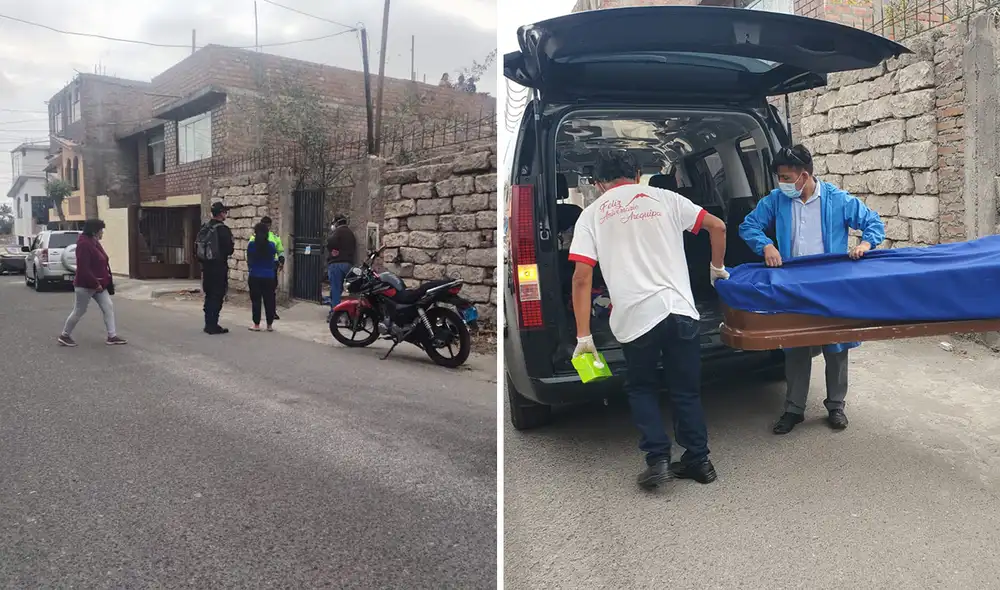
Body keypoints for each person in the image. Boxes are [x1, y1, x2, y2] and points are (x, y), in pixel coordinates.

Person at [569, 150, 730, 490]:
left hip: (636, 318)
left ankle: (657, 461)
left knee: (642, 387)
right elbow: (718, 226)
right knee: (686, 389)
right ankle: (699, 460)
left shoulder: (591, 215)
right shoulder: (667, 198)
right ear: (639, 172)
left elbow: (582, 277)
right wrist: (716, 269)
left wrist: (584, 336)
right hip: (681, 310)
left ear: (598, 185)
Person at [739, 144, 886, 435]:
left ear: (804, 176)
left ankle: (836, 405)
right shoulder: (776, 200)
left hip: (831, 285)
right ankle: (794, 408)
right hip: (793, 284)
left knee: (837, 346)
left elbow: (873, 223)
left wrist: (866, 245)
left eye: (786, 177)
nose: (782, 183)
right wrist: (766, 245)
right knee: (795, 346)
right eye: (779, 177)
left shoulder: (837, 200)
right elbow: (748, 226)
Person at [58, 218, 126, 346]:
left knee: (108, 307)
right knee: (79, 310)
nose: (102, 233)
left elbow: (102, 259)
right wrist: (96, 283)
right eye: (101, 230)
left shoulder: (93, 242)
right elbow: (83, 268)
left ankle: (112, 336)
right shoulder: (84, 244)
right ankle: (65, 335)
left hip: (99, 285)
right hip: (85, 285)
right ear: (95, 231)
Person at [197, 201, 235, 335]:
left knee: (209, 295)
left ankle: (208, 323)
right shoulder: (223, 229)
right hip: (219, 267)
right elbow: (229, 250)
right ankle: (213, 325)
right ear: (221, 213)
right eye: (225, 212)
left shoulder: (205, 227)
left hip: (206, 267)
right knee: (217, 295)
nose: (226, 214)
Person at [249, 215, 285, 320]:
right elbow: (279, 250)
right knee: (269, 294)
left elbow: (280, 250)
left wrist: (281, 260)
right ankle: (270, 316)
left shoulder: (256, 238)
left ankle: (259, 320)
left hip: (260, 269)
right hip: (270, 269)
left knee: (261, 296)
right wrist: (281, 261)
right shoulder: (272, 238)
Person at [247, 222, 278, 332]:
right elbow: (274, 258)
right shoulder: (271, 246)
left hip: (254, 274)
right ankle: (269, 325)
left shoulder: (251, 245)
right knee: (269, 300)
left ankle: (256, 324)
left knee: (256, 300)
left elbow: (249, 260)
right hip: (269, 276)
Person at [326, 215, 356, 320]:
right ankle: (351, 315)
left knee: (335, 290)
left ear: (337, 223)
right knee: (351, 290)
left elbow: (329, 243)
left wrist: (333, 250)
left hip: (336, 264)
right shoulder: (351, 234)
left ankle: (335, 314)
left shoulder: (336, 233)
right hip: (348, 264)